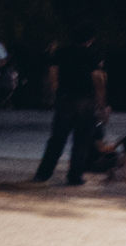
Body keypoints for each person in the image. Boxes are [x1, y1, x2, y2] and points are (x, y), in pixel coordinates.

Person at [34, 28, 107, 185]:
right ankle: (75, 175)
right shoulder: (93, 54)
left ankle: (43, 173)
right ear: (91, 39)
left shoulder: (61, 52)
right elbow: (98, 78)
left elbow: (53, 73)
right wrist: (101, 103)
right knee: (81, 141)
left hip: (65, 99)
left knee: (57, 139)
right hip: (86, 100)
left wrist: (56, 93)